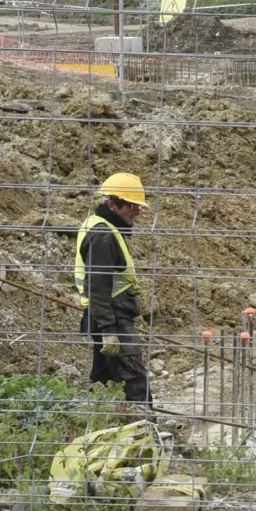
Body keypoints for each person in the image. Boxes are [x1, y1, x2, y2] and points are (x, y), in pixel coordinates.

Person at [76, 172, 151, 405]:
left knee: (104, 376)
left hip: (104, 314)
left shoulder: (103, 227)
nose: (138, 212)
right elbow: (97, 285)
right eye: (132, 206)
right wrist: (109, 330)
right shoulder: (103, 235)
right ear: (113, 205)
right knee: (133, 375)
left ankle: (100, 421)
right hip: (112, 315)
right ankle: (146, 429)